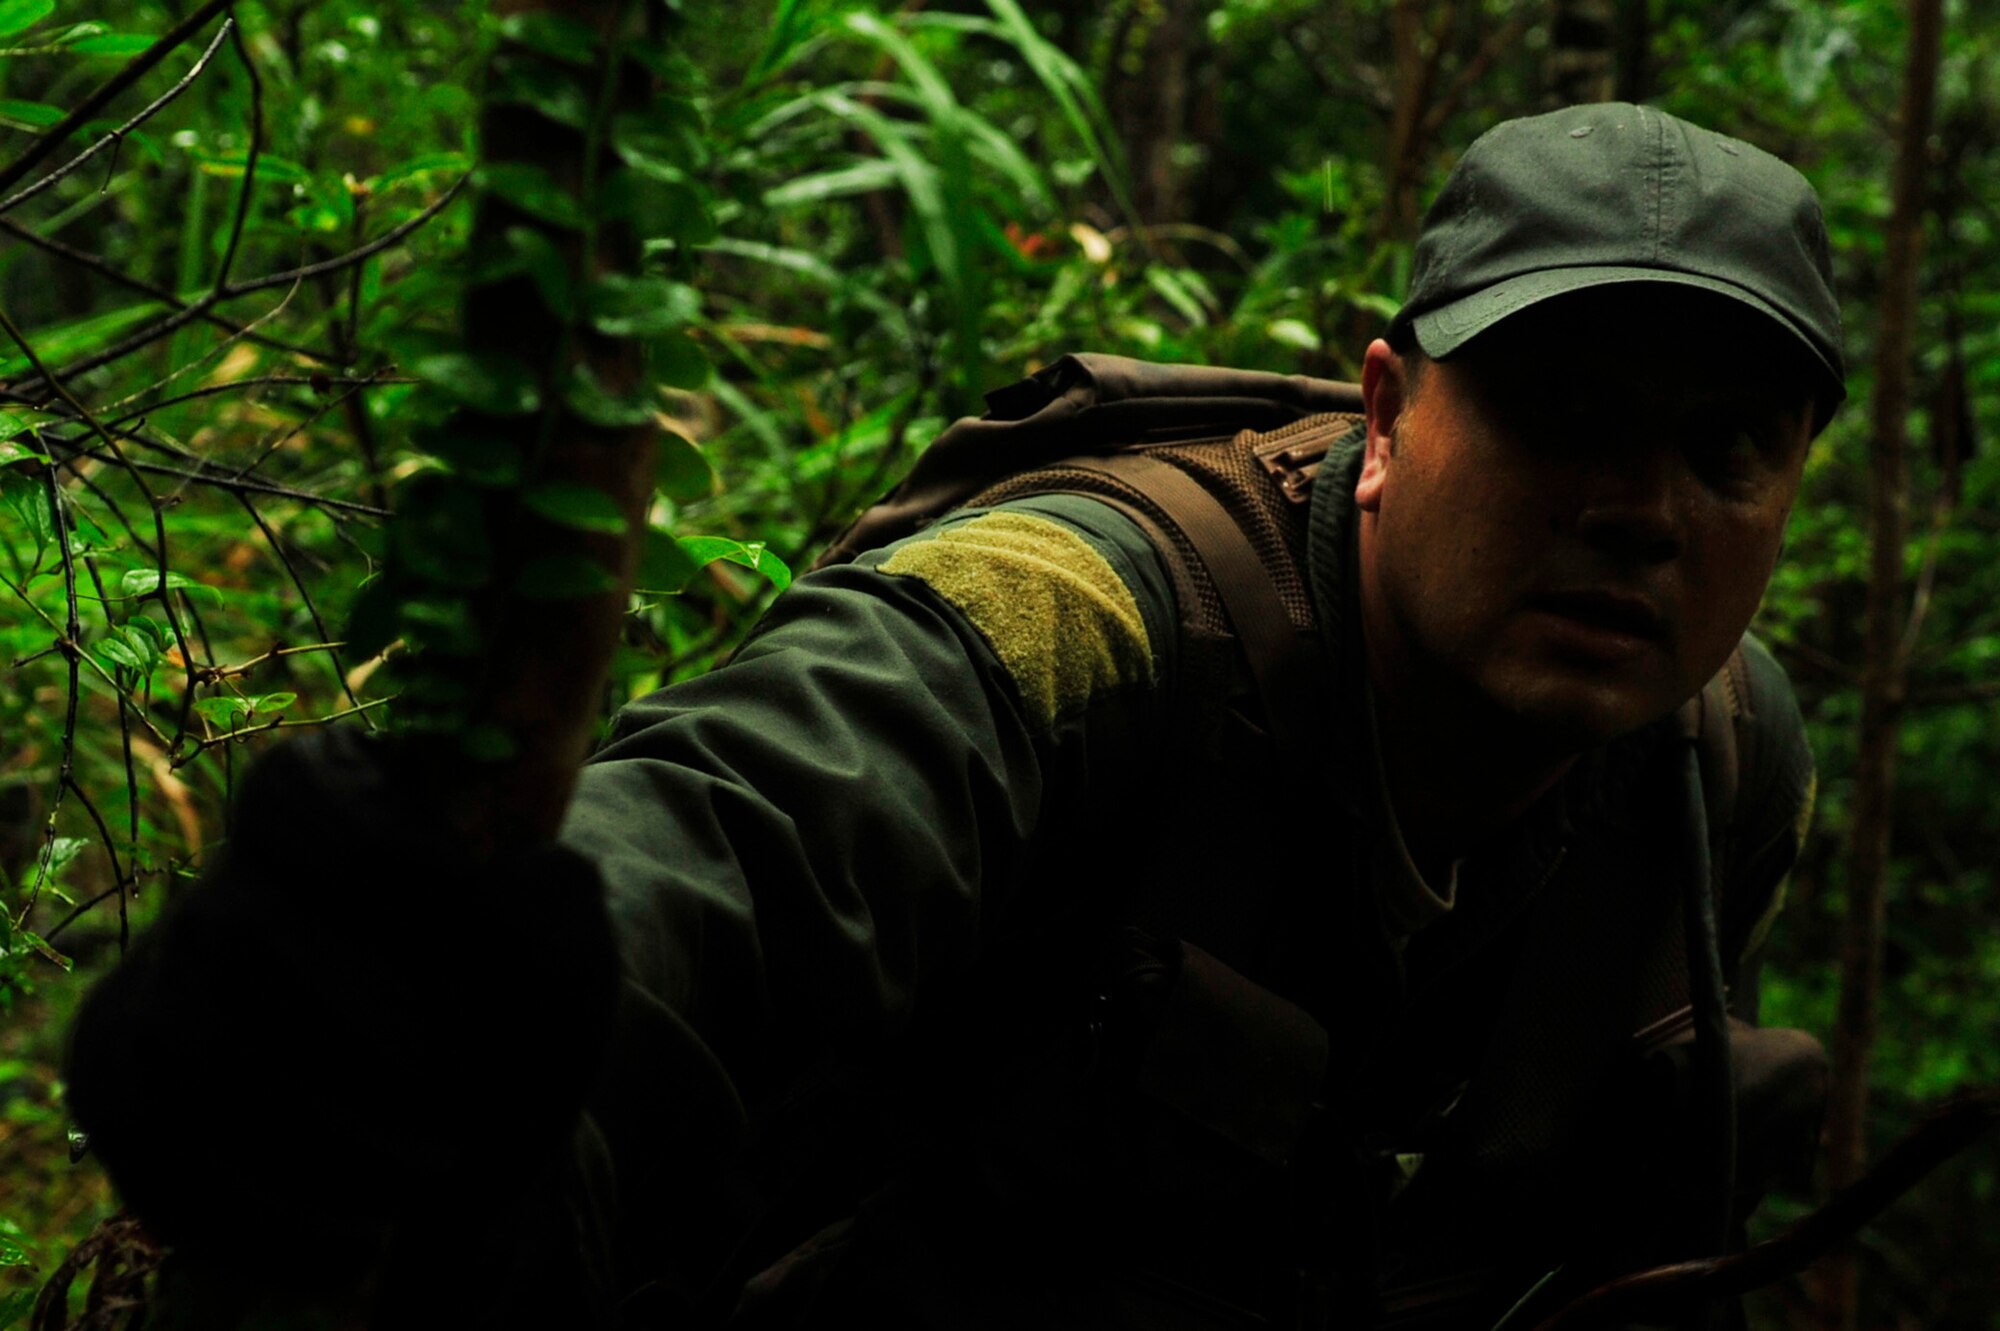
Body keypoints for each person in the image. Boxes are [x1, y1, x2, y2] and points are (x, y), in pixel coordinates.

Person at [65, 102, 1838, 1330]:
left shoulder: (1723, 755)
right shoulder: (1086, 623)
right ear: (1386, 410)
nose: (1640, 505)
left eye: (1724, 448)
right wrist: (413, 993)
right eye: (1560, 411)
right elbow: (746, 834)